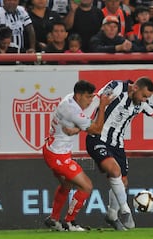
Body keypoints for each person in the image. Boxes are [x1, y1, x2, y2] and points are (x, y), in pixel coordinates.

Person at [84, 77, 153, 230]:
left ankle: (111, 215)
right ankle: (126, 211)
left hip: (117, 144)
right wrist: (83, 122)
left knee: (122, 182)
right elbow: (97, 100)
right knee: (114, 171)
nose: (145, 100)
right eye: (144, 96)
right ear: (135, 88)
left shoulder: (142, 104)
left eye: (147, 98)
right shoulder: (116, 87)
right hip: (97, 138)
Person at [43, 80, 112, 232]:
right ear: (79, 95)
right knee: (86, 186)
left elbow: (81, 118)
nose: (90, 101)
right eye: (88, 97)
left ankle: (53, 219)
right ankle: (69, 222)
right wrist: (102, 106)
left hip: (53, 150)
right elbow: (97, 129)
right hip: (58, 156)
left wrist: (77, 129)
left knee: (67, 184)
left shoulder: (69, 99)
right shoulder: (71, 110)